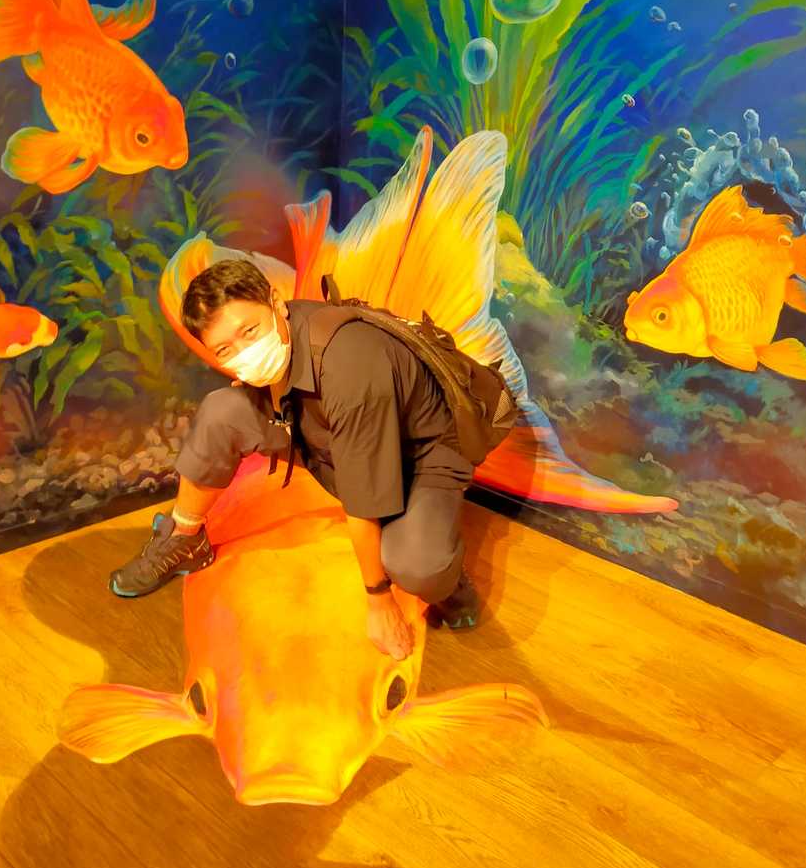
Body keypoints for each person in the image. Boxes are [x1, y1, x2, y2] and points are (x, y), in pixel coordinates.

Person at [110, 257, 508, 661]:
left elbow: (362, 499)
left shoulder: (351, 365)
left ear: (276, 303)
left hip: (422, 449)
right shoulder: (281, 341)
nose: (245, 354)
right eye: (225, 350)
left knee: (417, 564)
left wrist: (378, 599)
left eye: (249, 331)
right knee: (221, 412)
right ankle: (184, 538)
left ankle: (447, 578)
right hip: (326, 426)